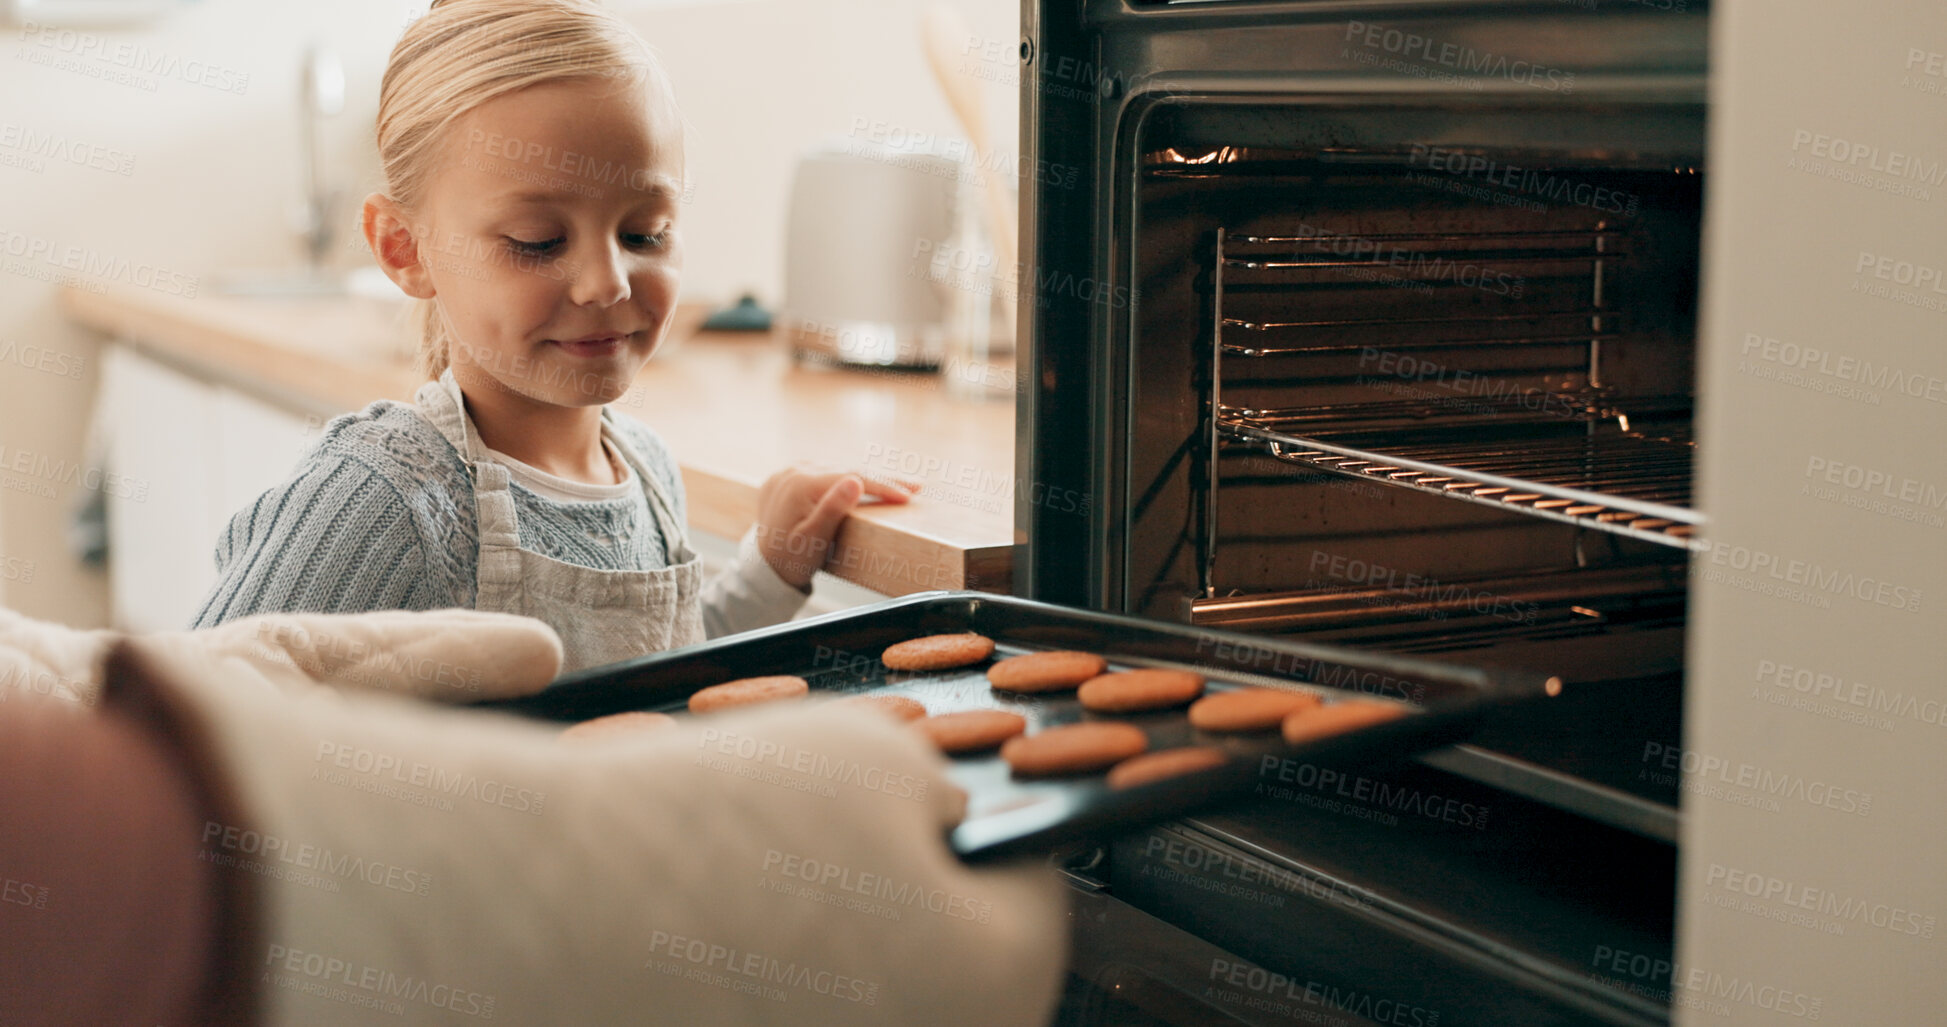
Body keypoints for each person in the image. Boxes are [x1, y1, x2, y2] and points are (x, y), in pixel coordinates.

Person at [191, 0, 914, 670]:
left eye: (644, 232)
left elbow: (665, 676)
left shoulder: (648, 470)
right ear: (403, 249)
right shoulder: (386, 497)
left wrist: (773, 563)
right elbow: (188, 714)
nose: (608, 283)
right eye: (538, 241)